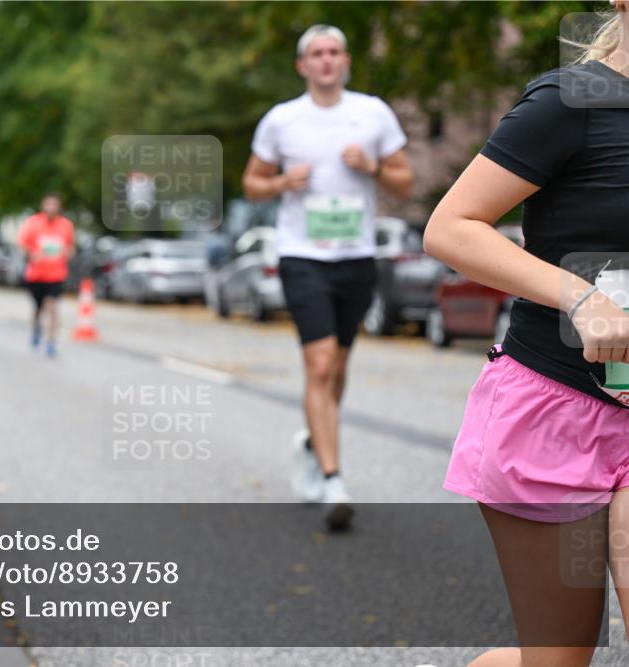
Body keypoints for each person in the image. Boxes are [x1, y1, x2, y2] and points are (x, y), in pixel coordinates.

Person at [424, 2, 629, 664]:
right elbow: (452, 227)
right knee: (556, 659)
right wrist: (582, 297)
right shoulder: (573, 101)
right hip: (558, 404)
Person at [242, 24, 413, 529]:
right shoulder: (282, 120)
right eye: (316, 53)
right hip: (301, 255)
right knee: (317, 364)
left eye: (334, 52)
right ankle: (334, 477)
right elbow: (251, 185)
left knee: (337, 366)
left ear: (346, 62)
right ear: (302, 66)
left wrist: (373, 167)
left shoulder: (373, 114)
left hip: (356, 256)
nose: (325, 61)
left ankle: (314, 443)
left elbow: (406, 183)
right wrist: (278, 182)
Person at [17, 193, 75, 359]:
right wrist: (32, 254)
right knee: (38, 308)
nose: (51, 208)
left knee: (52, 306)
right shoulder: (33, 223)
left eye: (54, 205)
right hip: (36, 275)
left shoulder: (66, 225)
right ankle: (36, 328)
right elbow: (22, 243)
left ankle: (51, 342)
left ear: (59, 208)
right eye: (48, 205)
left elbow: (71, 247)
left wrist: (67, 252)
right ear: (43, 207)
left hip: (56, 274)